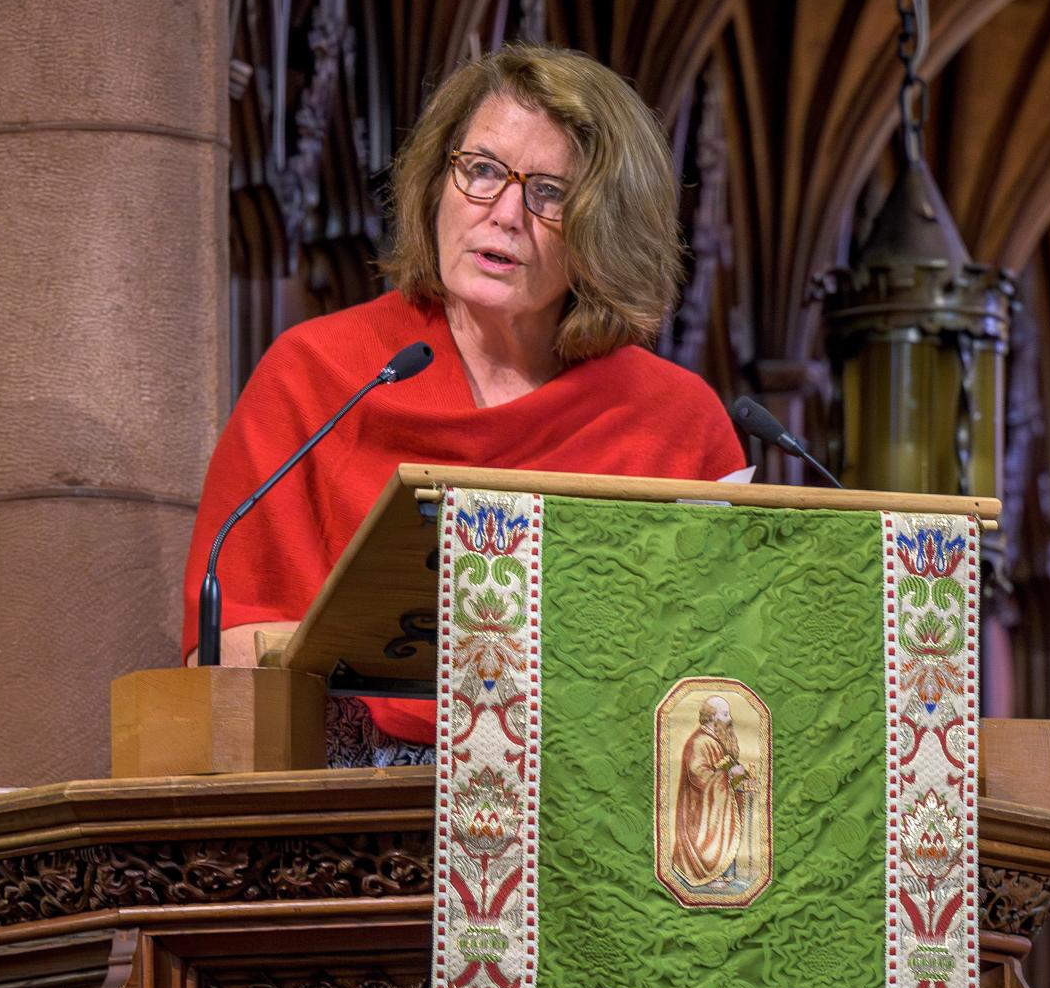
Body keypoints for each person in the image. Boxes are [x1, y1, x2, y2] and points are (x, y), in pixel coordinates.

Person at [183, 44, 744, 761]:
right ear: (435, 183)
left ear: (608, 227)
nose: (505, 212)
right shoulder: (321, 375)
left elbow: (725, 672)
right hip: (344, 828)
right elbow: (220, 647)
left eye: (549, 192)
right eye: (481, 170)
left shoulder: (676, 419)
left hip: (595, 817)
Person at [672, 695, 747, 887]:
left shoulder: (716, 739)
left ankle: (721, 874)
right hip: (699, 808)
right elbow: (698, 774)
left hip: (718, 802)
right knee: (708, 837)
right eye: (724, 714)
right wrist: (728, 774)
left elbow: (722, 767)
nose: (729, 718)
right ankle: (707, 874)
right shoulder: (700, 741)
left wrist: (736, 774)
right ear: (712, 717)